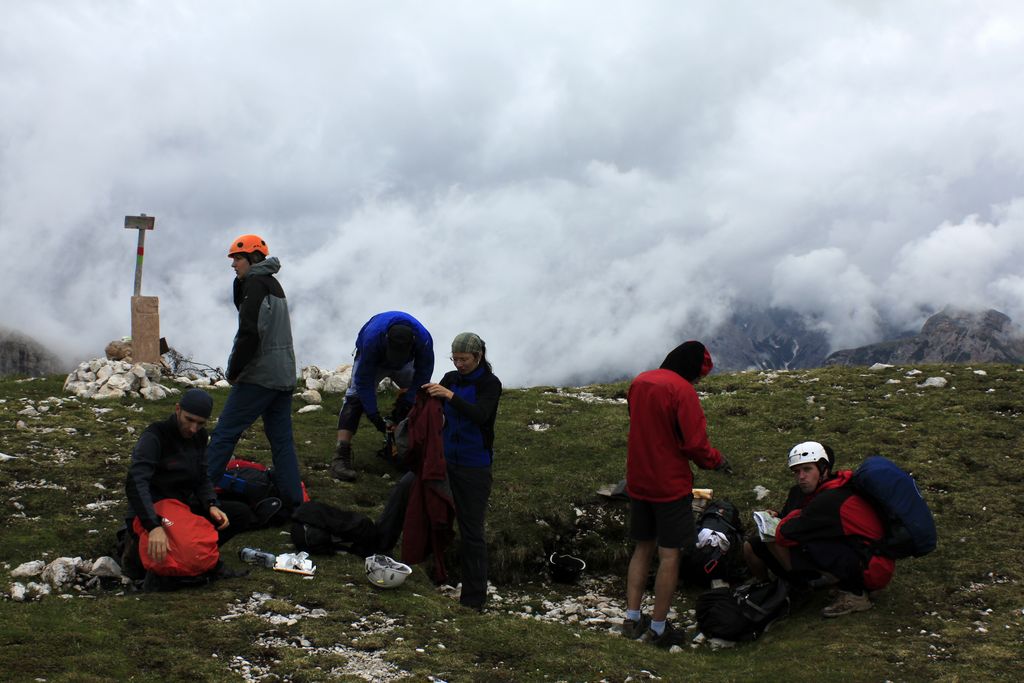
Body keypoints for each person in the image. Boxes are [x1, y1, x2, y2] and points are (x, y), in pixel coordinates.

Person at [621, 340, 731, 647]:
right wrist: (716, 460)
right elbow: (693, 444)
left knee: (642, 548)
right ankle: (658, 628)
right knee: (669, 555)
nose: (697, 382)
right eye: (698, 376)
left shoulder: (640, 381)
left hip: (638, 480)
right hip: (669, 484)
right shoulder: (682, 391)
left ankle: (631, 619)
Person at [205, 234, 304, 510]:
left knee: (226, 432)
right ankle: (294, 501)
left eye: (238, 258)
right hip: (283, 375)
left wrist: (234, 370)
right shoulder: (273, 283)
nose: (233, 265)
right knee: (282, 440)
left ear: (253, 259)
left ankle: (199, 493)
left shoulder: (255, 285)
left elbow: (250, 334)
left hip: (259, 374)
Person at [743, 441, 896, 618]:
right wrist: (778, 516)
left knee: (799, 542)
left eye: (807, 469)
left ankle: (855, 594)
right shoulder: (817, 491)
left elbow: (786, 534)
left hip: (872, 566)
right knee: (755, 544)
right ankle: (784, 586)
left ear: (823, 468)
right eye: (796, 471)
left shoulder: (831, 498)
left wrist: (786, 520)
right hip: (863, 556)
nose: (801, 476)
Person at [124, 388, 252, 585]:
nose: (193, 428)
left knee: (240, 514)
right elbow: (135, 483)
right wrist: (153, 526)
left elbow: (201, 476)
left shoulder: (199, 437)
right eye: (189, 419)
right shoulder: (155, 436)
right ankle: (146, 554)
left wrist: (211, 504)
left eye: (200, 423)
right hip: (154, 510)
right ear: (177, 410)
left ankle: (191, 556)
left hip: (182, 508)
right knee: (174, 536)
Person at [422, 332, 502, 611]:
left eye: (464, 359)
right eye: (455, 359)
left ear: (478, 357)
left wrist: (449, 396)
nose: (459, 364)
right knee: (421, 505)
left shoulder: (490, 384)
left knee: (472, 530)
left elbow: (480, 414)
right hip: (444, 461)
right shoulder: (450, 378)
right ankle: (420, 572)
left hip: (474, 465)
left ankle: (474, 598)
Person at [330, 311, 434, 482]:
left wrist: (408, 402)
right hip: (375, 360)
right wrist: (373, 414)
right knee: (354, 398)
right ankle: (340, 455)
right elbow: (363, 382)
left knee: (421, 396)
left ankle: (408, 447)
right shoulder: (372, 339)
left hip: (407, 364)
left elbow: (423, 375)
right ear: (386, 340)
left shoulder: (424, 340)